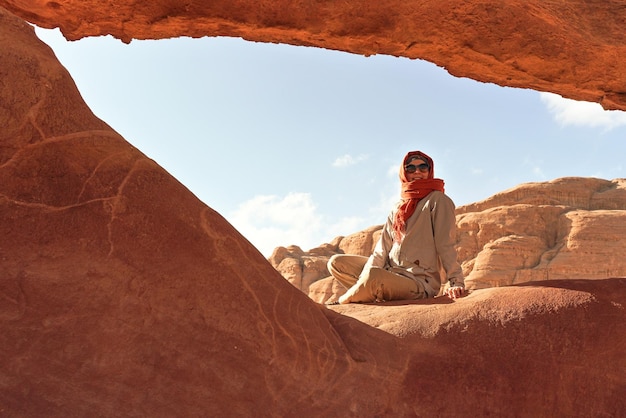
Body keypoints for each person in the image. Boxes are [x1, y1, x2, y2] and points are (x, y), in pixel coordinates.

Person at [327, 150, 465, 304]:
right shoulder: (398, 208)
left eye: (423, 167)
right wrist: (366, 276)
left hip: (418, 281)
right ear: (404, 172)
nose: (417, 171)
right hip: (390, 272)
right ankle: (369, 290)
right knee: (336, 262)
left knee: (374, 277)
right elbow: (381, 251)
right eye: (410, 168)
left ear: (429, 171)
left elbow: (445, 243)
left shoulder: (438, 200)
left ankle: (342, 303)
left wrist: (456, 281)